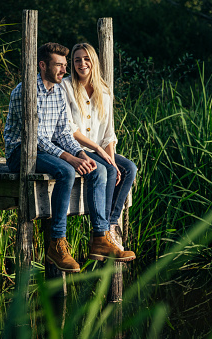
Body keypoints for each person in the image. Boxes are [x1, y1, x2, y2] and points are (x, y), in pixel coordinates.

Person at [3, 42, 136, 273]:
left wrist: (82, 155)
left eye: (65, 65)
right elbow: (36, 139)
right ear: (43, 66)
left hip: (45, 150)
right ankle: (56, 242)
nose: (65, 70)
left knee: (97, 168)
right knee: (65, 171)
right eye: (60, 65)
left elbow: (63, 132)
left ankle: (100, 237)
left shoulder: (56, 92)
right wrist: (71, 159)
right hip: (21, 152)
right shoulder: (26, 91)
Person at [60, 42, 137, 251]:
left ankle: (111, 224)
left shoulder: (104, 90)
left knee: (129, 168)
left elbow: (108, 134)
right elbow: (69, 128)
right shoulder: (66, 87)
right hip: (74, 148)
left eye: (86, 59)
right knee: (109, 170)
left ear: (94, 62)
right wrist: (103, 154)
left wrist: (110, 156)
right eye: (77, 60)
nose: (82, 63)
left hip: (98, 149)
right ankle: (100, 233)